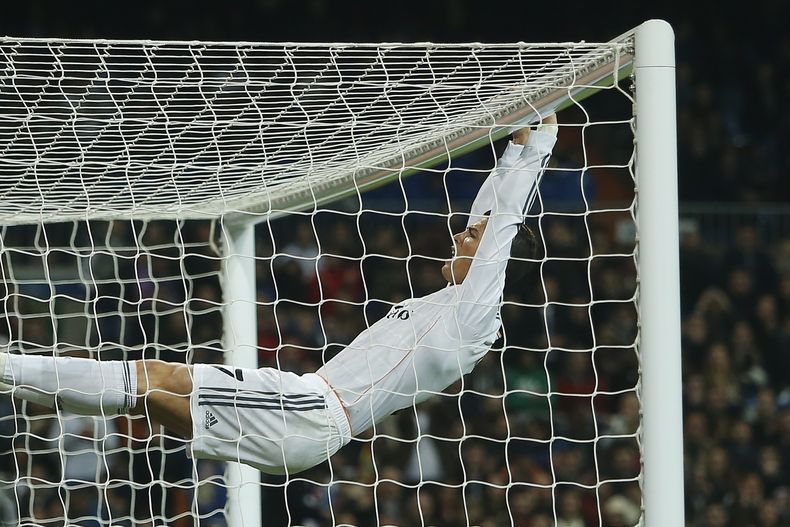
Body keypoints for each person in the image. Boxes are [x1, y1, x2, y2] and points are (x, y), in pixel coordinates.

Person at [0, 113, 558, 475]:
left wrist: (541, 139)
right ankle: (13, 380)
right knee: (144, 395)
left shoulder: (477, 315)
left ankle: (6, 366)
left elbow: (503, 220)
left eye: (474, 236)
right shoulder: (456, 306)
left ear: (497, 261)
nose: (464, 230)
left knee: (153, 377)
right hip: (309, 430)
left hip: (310, 409)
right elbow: (492, 213)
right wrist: (517, 146)